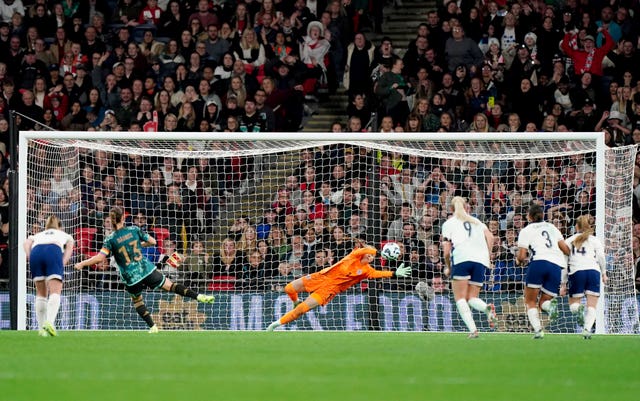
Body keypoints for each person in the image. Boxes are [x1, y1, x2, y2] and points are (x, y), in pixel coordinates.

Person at [74, 207, 214, 333]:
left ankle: (153, 327)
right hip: (145, 269)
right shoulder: (134, 230)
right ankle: (199, 296)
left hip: (131, 276)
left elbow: (99, 258)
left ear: (111, 220)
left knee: (138, 301)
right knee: (170, 286)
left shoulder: (110, 239)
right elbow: (153, 242)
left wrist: (82, 263)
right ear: (123, 218)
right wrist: (139, 245)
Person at [266, 241, 411, 331]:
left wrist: (395, 273)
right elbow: (365, 250)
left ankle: (274, 325)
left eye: (372, 257)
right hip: (321, 277)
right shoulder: (354, 255)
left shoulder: (367, 271)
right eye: (369, 254)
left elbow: (380, 274)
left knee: (301, 310)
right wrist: (381, 252)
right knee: (289, 288)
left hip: (329, 290)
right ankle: (295, 301)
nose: (370, 257)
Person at [441, 197, 498, 338]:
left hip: (462, 258)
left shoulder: (449, 223)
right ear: (467, 207)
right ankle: (486, 308)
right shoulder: (477, 221)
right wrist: (488, 256)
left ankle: (473, 330)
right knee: (471, 297)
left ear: (451, 209)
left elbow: (447, 252)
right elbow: (491, 237)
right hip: (480, 260)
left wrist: (449, 267)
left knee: (460, 298)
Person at [516, 204, 570, 339]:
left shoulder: (526, 230)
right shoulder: (552, 227)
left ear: (529, 216)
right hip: (556, 266)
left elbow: (522, 256)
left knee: (530, 301)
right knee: (543, 302)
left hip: (539, 263)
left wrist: (519, 261)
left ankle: (538, 330)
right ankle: (550, 307)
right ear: (543, 215)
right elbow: (565, 249)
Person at [23, 215, 74, 336]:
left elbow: (26, 243)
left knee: (41, 293)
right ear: (59, 227)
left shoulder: (38, 235)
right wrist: (62, 263)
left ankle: (41, 329)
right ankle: (50, 323)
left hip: (36, 252)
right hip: (53, 250)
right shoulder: (64, 235)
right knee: (55, 291)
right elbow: (69, 248)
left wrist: (30, 256)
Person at [565, 215, 607, 339]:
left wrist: (562, 283)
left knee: (574, 307)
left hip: (576, 272)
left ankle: (580, 310)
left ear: (576, 227)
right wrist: (604, 273)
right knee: (592, 306)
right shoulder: (594, 240)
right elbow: (601, 257)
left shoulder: (569, 241)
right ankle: (587, 330)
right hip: (593, 272)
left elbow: (564, 261)